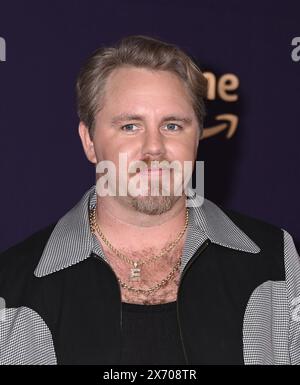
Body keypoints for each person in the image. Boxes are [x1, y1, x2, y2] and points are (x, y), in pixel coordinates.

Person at [0, 35, 299, 365]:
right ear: (89, 141)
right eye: (130, 126)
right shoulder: (12, 285)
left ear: (198, 136)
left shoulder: (279, 264)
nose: (154, 148)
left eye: (172, 125)